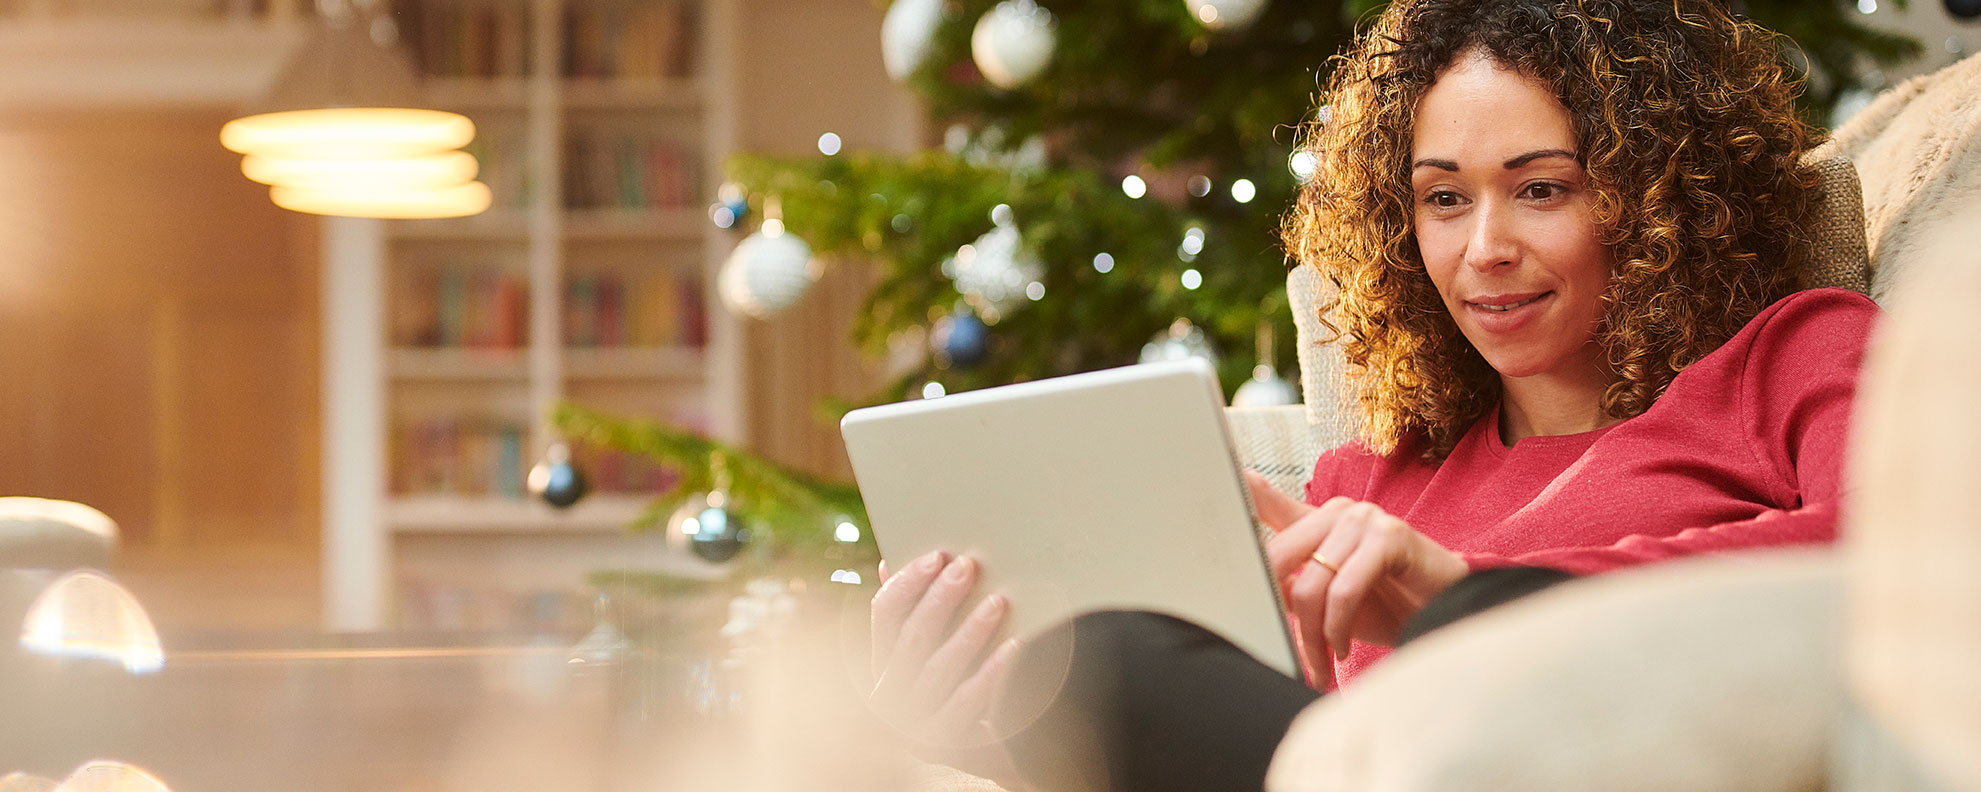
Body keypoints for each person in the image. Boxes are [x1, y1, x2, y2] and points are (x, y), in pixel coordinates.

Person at [867, 0, 1880, 789]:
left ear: (1661, 188)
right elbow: (1244, 745)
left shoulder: (1794, 355)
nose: (1483, 249)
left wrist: (1467, 593)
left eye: (1542, 187)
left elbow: (1913, 565)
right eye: (1442, 198)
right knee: (1108, 667)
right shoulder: (1366, 486)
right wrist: (995, 727)